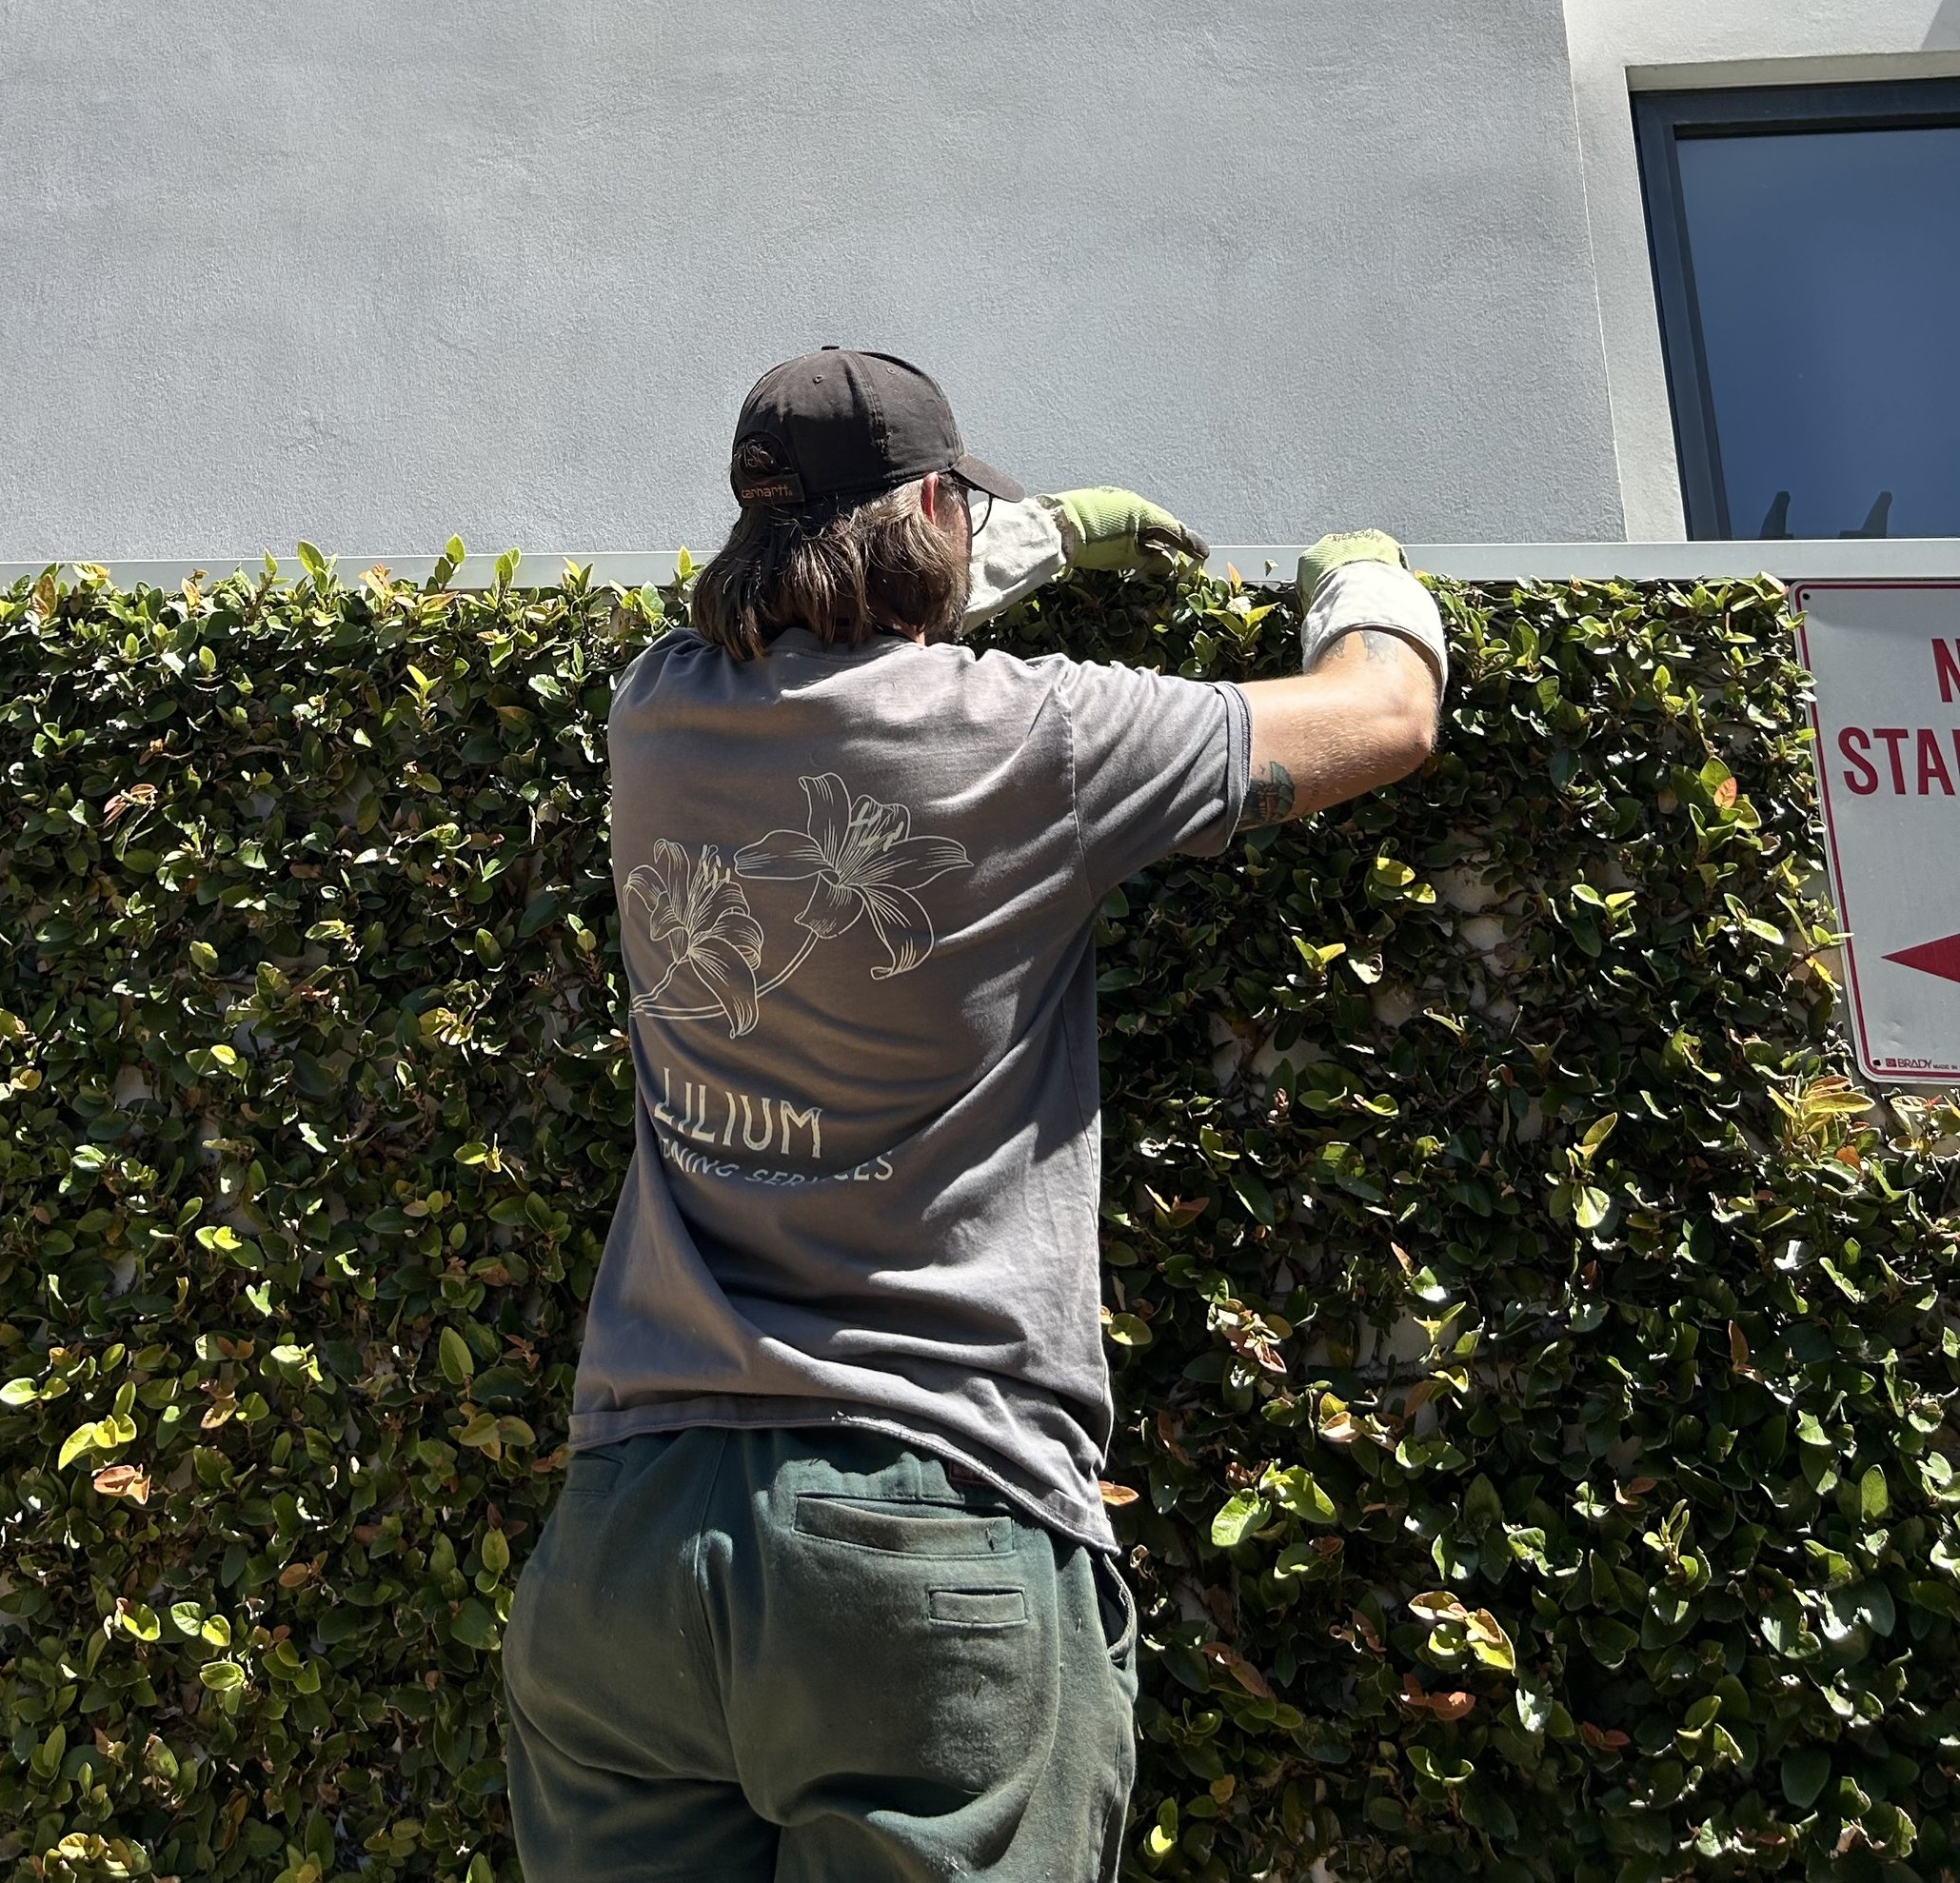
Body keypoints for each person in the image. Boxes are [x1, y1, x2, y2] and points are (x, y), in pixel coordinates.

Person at [504, 347, 1446, 1882]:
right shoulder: (1036, 738)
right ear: (939, 506)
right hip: (925, 1540)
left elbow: (834, 616)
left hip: (630, 1557)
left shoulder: (654, 716)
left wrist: (1038, 534)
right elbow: (1383, 714)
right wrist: (1369, 588)